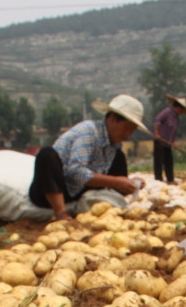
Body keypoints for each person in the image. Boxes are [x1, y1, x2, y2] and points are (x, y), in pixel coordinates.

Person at [28, 93, 150, 222]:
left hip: (78, 192)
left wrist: (130, 183)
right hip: (54, 189)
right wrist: (116, 181)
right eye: (126, 128)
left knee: (119, 157)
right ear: (113, 118)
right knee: (46, 154)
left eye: (132, 130)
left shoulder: (114, 146)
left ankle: (115, 199)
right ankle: (61, 213)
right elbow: (75, 172)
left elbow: (104, 177)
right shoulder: (89, 132)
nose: (128, 134)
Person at [152, 95, 186, 183]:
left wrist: (174, 141)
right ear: (177, 107)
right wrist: (157, 133)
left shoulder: (176, 117)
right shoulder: (167, 112)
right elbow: (157, 120)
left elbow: (174, 130)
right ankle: (158, 180)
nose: (181, 111)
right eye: (181, 109)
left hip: (168, 143)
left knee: (169, 161)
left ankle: (170, 179)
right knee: (159, 161)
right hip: (160, 141)